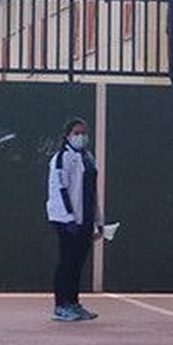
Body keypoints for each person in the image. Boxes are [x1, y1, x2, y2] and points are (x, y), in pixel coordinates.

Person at [46, 118, 102, 322]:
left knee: (78, 263)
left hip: (85, 219)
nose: (81, 137)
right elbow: (59, 190)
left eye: (84, 133)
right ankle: (61, 306)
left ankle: (74, 303)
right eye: (77, 133)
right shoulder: (61, 159)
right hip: (66, 220)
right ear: (68, 135)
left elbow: (91, 192)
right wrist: (68, 218)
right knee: (67, 262)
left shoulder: (87, 158)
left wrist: (97, 220)